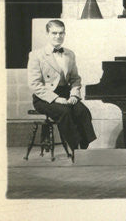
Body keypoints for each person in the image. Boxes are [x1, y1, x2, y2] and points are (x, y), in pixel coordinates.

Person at [26, 20, 97, 152]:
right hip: (45, 97)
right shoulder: (36, 55)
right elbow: (34, 84)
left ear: (64, 34)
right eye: (54, 33)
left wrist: (74, 94)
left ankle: (84, 148)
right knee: (65, 112)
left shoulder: (69, 54)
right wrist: (56, 99)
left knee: (83, 111)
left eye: (61, 33)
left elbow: (75, 78)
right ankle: (75, 149)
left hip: (66, 94)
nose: (58, 36)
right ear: (47, 34)